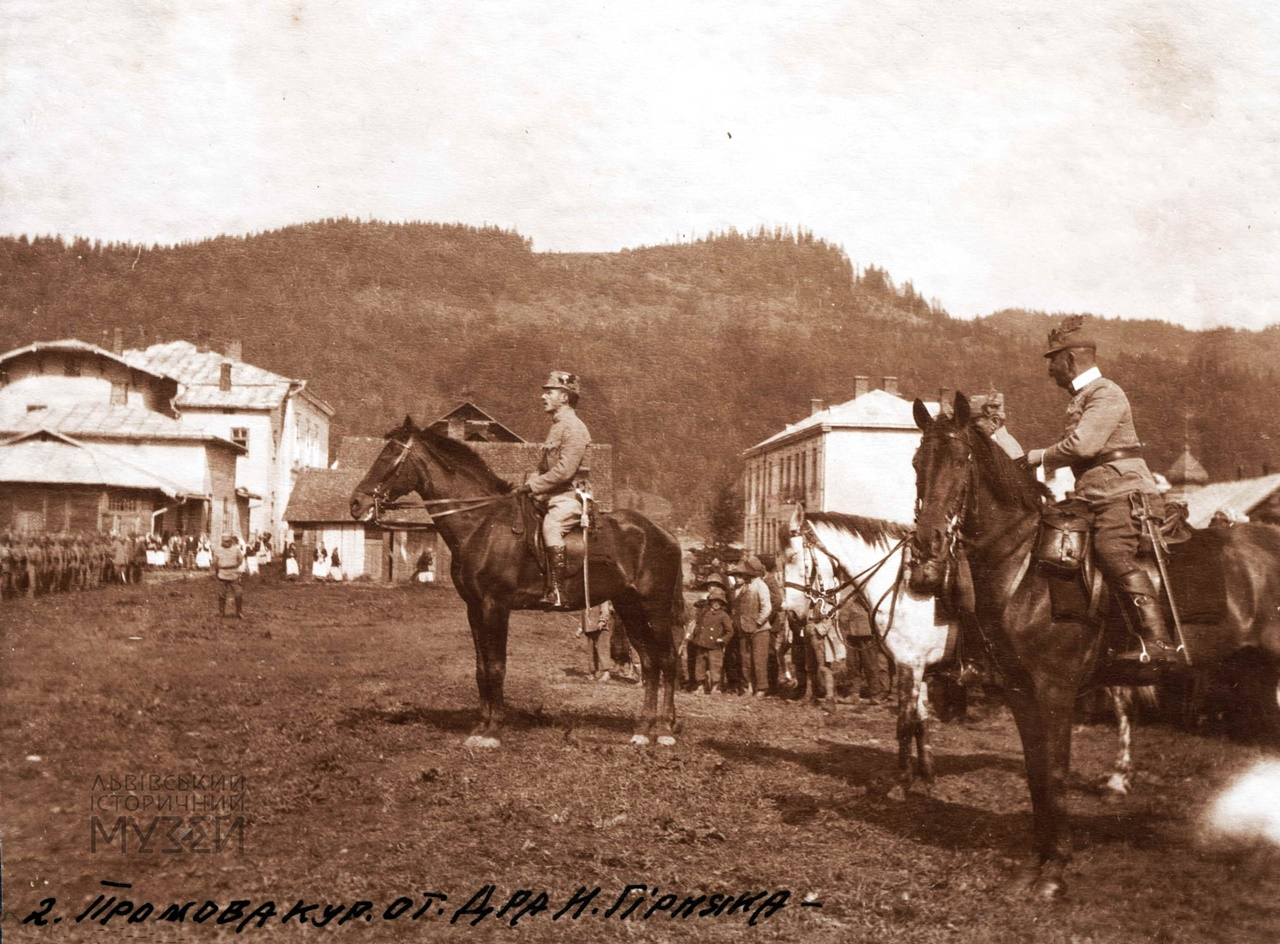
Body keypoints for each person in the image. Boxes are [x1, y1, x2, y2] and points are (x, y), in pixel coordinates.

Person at [1024, 316, 1182, 676]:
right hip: (1096, 496)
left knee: (1112, 551)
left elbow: (1084, 445)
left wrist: (1041, 456)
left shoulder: (1106, 392)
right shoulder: (1084, 396)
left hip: (1123, 495)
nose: (1050, 370)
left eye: (1053, 360)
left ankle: (1157, 640)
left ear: (1071, 358)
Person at [515, 370, 591, 609]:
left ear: (565, 397)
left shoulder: (574, 428)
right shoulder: (557, 427)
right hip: (550, 495)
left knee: (551, 526)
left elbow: (565, 471)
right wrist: (524, 488)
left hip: (569, 496)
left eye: (550, 392)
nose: (543, 397)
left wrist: (532, 486)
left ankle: (557, 591)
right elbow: (544, 468)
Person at [731, 555, 773, 697]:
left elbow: (767, 608)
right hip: (744, 628)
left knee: (759, 659)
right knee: (745, 659)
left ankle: (761, 688)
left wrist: (757, 623)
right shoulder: (745, 586)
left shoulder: (761, 586)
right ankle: (748, 686)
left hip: (760, 630)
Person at [688, 586, 735, 694]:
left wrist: (722, 640)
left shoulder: (724, 616)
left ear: (722, 603)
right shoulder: (705, 613)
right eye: (714, 601)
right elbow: (699, 626)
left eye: (719, 601)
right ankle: (700, 686)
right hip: (702, 644)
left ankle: (715, 687)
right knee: (699, 666)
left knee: (715, 667)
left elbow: (730, 631)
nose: (716, 604)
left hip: (715, 646)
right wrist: (696, 637)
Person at [211, 532, 245, 619]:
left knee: (238, 593)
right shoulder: (217, 550)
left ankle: (238, 612)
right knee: (222, 594)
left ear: (231, 541)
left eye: (229, 541)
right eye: (225, 541)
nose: (227, 543)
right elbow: (214, 563)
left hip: (234, 574)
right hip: (222, 574)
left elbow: (240, 560)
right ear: (222, 541)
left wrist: (235, 566)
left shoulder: (236, 549)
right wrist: (217, 572)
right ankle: (221, 612)